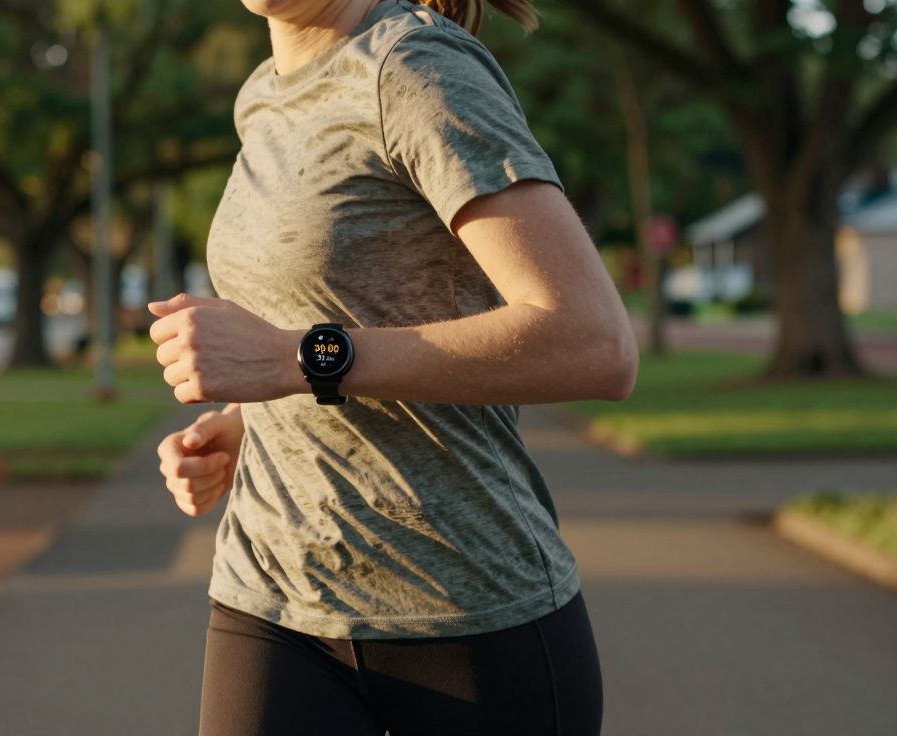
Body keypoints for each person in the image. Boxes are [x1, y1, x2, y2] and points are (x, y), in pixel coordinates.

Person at [147, 1, 637, 734]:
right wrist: (246, 421)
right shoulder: (265, 94)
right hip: (273, 599)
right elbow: (332, 308)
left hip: (468, 616)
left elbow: (593, 342)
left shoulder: (415, 70)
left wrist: (297, 359)